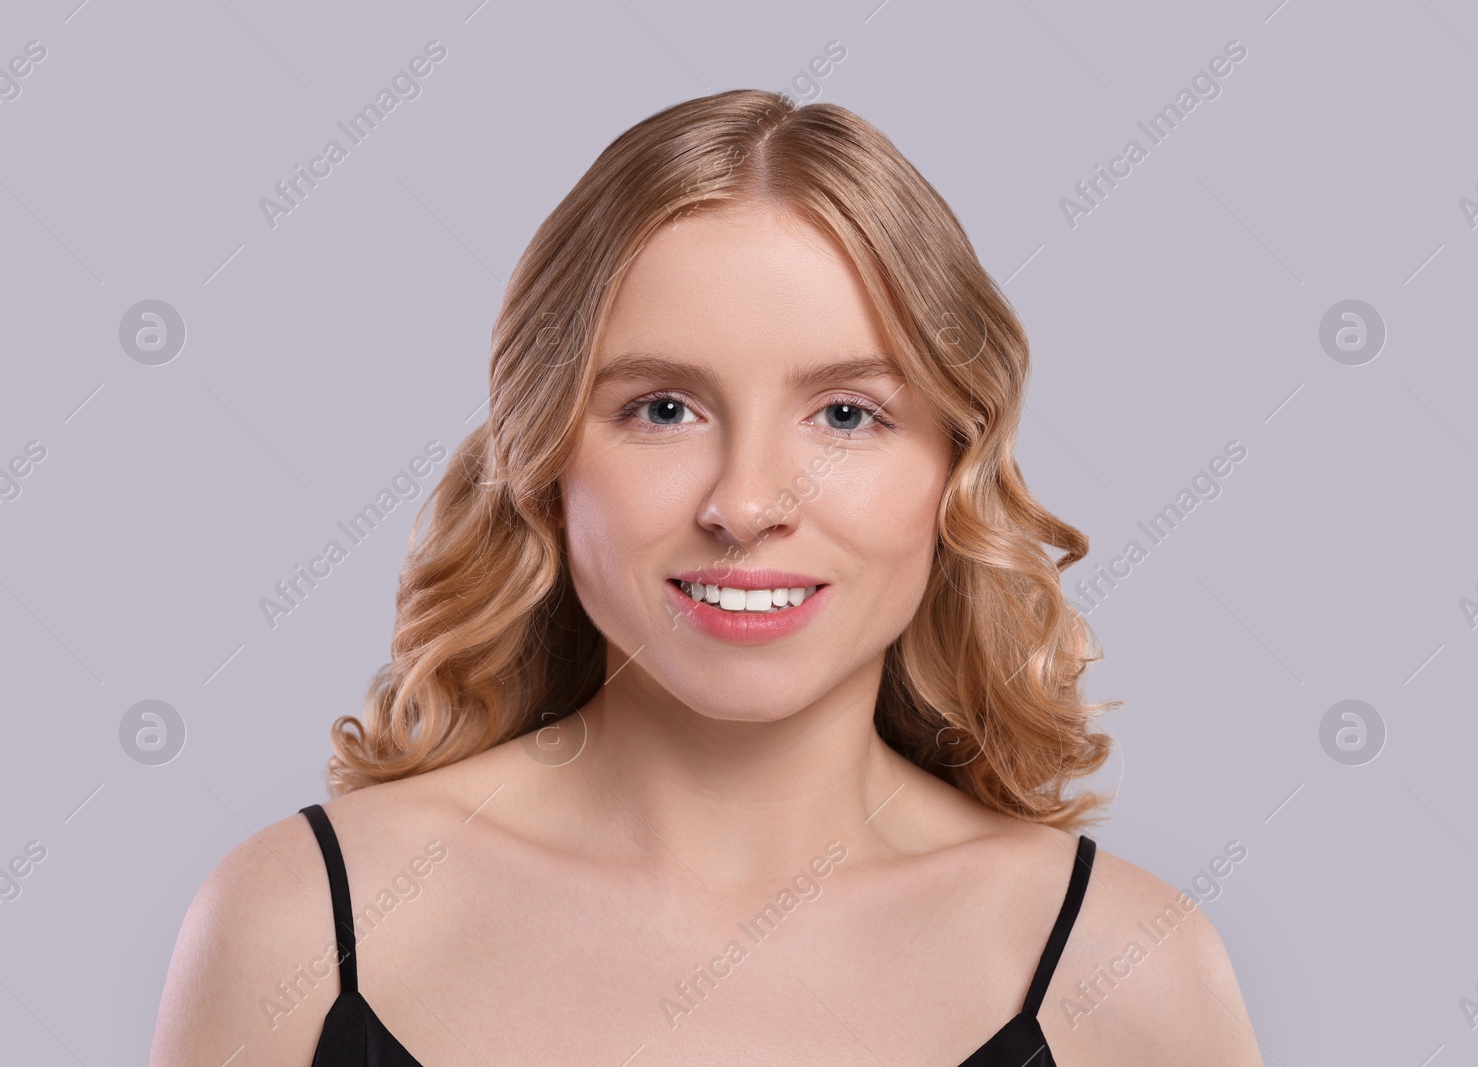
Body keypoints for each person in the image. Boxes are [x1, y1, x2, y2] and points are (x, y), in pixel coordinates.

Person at [151, 88, 1264, 1065]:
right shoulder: (302, 924)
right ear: (544, 460)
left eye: (845, 413)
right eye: (663, 408)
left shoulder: (1122, 969)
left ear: (955, 467)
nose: (744, 502)